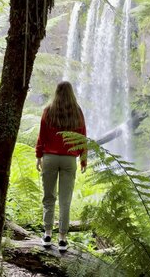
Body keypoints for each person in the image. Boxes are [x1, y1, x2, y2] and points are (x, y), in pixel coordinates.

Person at [35, 81, 87, 251]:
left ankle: (47, 235)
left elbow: (41, 136)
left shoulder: (48, 111)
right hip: (69, 160)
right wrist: (83, 159)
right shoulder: (77, 112)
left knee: (48, 198)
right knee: (65, 201)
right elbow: (82, 137)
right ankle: (63, 239)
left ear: (56, 92)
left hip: (50, 158)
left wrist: (38, 156)